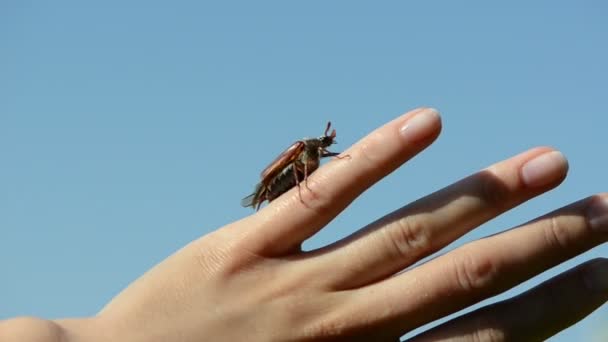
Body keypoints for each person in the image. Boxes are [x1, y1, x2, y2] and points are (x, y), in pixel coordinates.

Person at [1, 107, 606, 341]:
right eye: (322, 143)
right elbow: (298, 172)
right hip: (272, 185)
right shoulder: (301, 154)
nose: (323, 147)